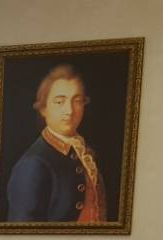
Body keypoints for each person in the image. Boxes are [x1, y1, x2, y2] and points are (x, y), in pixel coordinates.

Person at [6, 64, 106, 223]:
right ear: (43, 109)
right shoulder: (33, 164)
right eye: (59, 102)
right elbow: (22, 231)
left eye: (77, 101)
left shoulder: (84, 153)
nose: (70, 111)